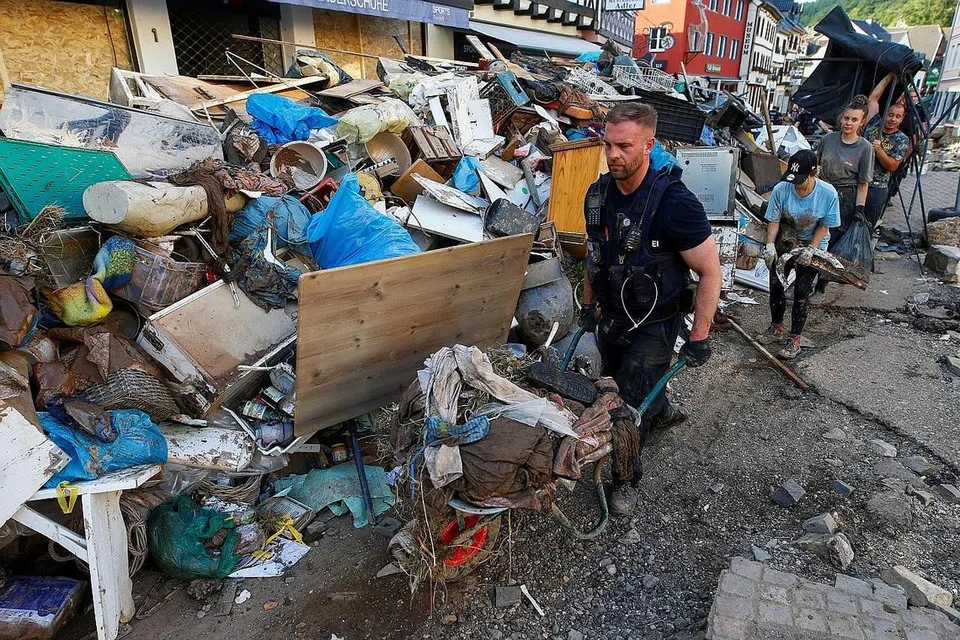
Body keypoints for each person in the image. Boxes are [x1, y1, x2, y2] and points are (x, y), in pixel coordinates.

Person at [579, 102, 722, 515]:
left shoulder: (674, 204)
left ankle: (626, 479)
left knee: (626, 402)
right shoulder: (598, 196)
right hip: (612, 317)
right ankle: (661, 410)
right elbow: (594, 257)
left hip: (656, 323)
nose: (612, 156)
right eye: (607, 145)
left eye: (624, 146)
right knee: (614, 384)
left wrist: (699, 337)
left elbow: (710, 272)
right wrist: (589, 307)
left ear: (649, 145)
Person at [757, 150, 841, 359]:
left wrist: (812, 249)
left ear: (814, 173)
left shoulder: (827, 193)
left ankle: (795, 338)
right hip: (787, 238)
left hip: (813, 241)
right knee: (776, 284)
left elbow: (825, 224)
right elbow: (774, 220)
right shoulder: (781, 189)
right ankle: (776, 327)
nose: (797, 185)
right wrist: (769, 245)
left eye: (801, 181)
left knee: (801, 290)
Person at [812, 95, 873, 301]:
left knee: (832, 243)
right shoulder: (828, 139)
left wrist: (859, 209)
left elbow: (863, 182)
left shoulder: (865, 148)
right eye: (846, 118)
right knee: (813, 236)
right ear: (841, 119)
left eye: (854, 120)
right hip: (823, 191)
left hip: (845, 198)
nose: (849, 123)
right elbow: (816, 168)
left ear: (861, 122)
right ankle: (803, 279)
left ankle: (821, 285)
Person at [864, 73, 910, 227]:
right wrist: (889, 77)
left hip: (877, 187)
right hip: (857, 182)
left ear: (902, 119)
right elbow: (873, 99)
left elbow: (892, 166)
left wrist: (879, 151)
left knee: (867, 226)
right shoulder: (874, 124)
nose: (893, 119)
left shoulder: (901, 139)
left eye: (898, 116)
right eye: (891, 115)